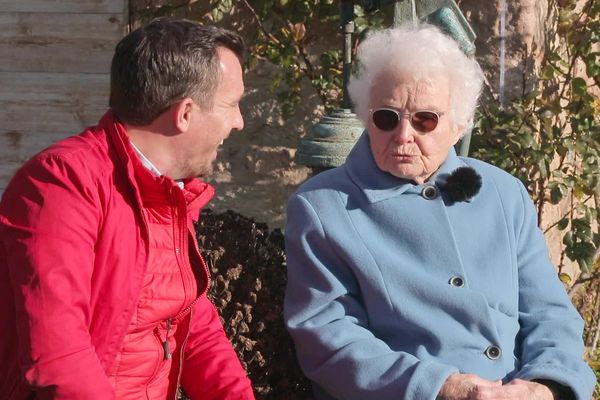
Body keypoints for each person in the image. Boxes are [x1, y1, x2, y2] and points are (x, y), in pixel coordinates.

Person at [283, 23, 596, 400]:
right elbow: (328, 338)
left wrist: (543, 387)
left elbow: (550, 312)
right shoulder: (323, 207)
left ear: (459, 123)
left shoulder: (503, 193)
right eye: (386, 117)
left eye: (424, 120)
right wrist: (441, 387)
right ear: (366, 114)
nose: (402, 135)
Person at [0, 18, 255, 399]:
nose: (239, 122)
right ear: (185, 113)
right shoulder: (60, 185)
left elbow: (194, 325)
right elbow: (60, 360)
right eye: (232, 105)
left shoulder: (168, 193)